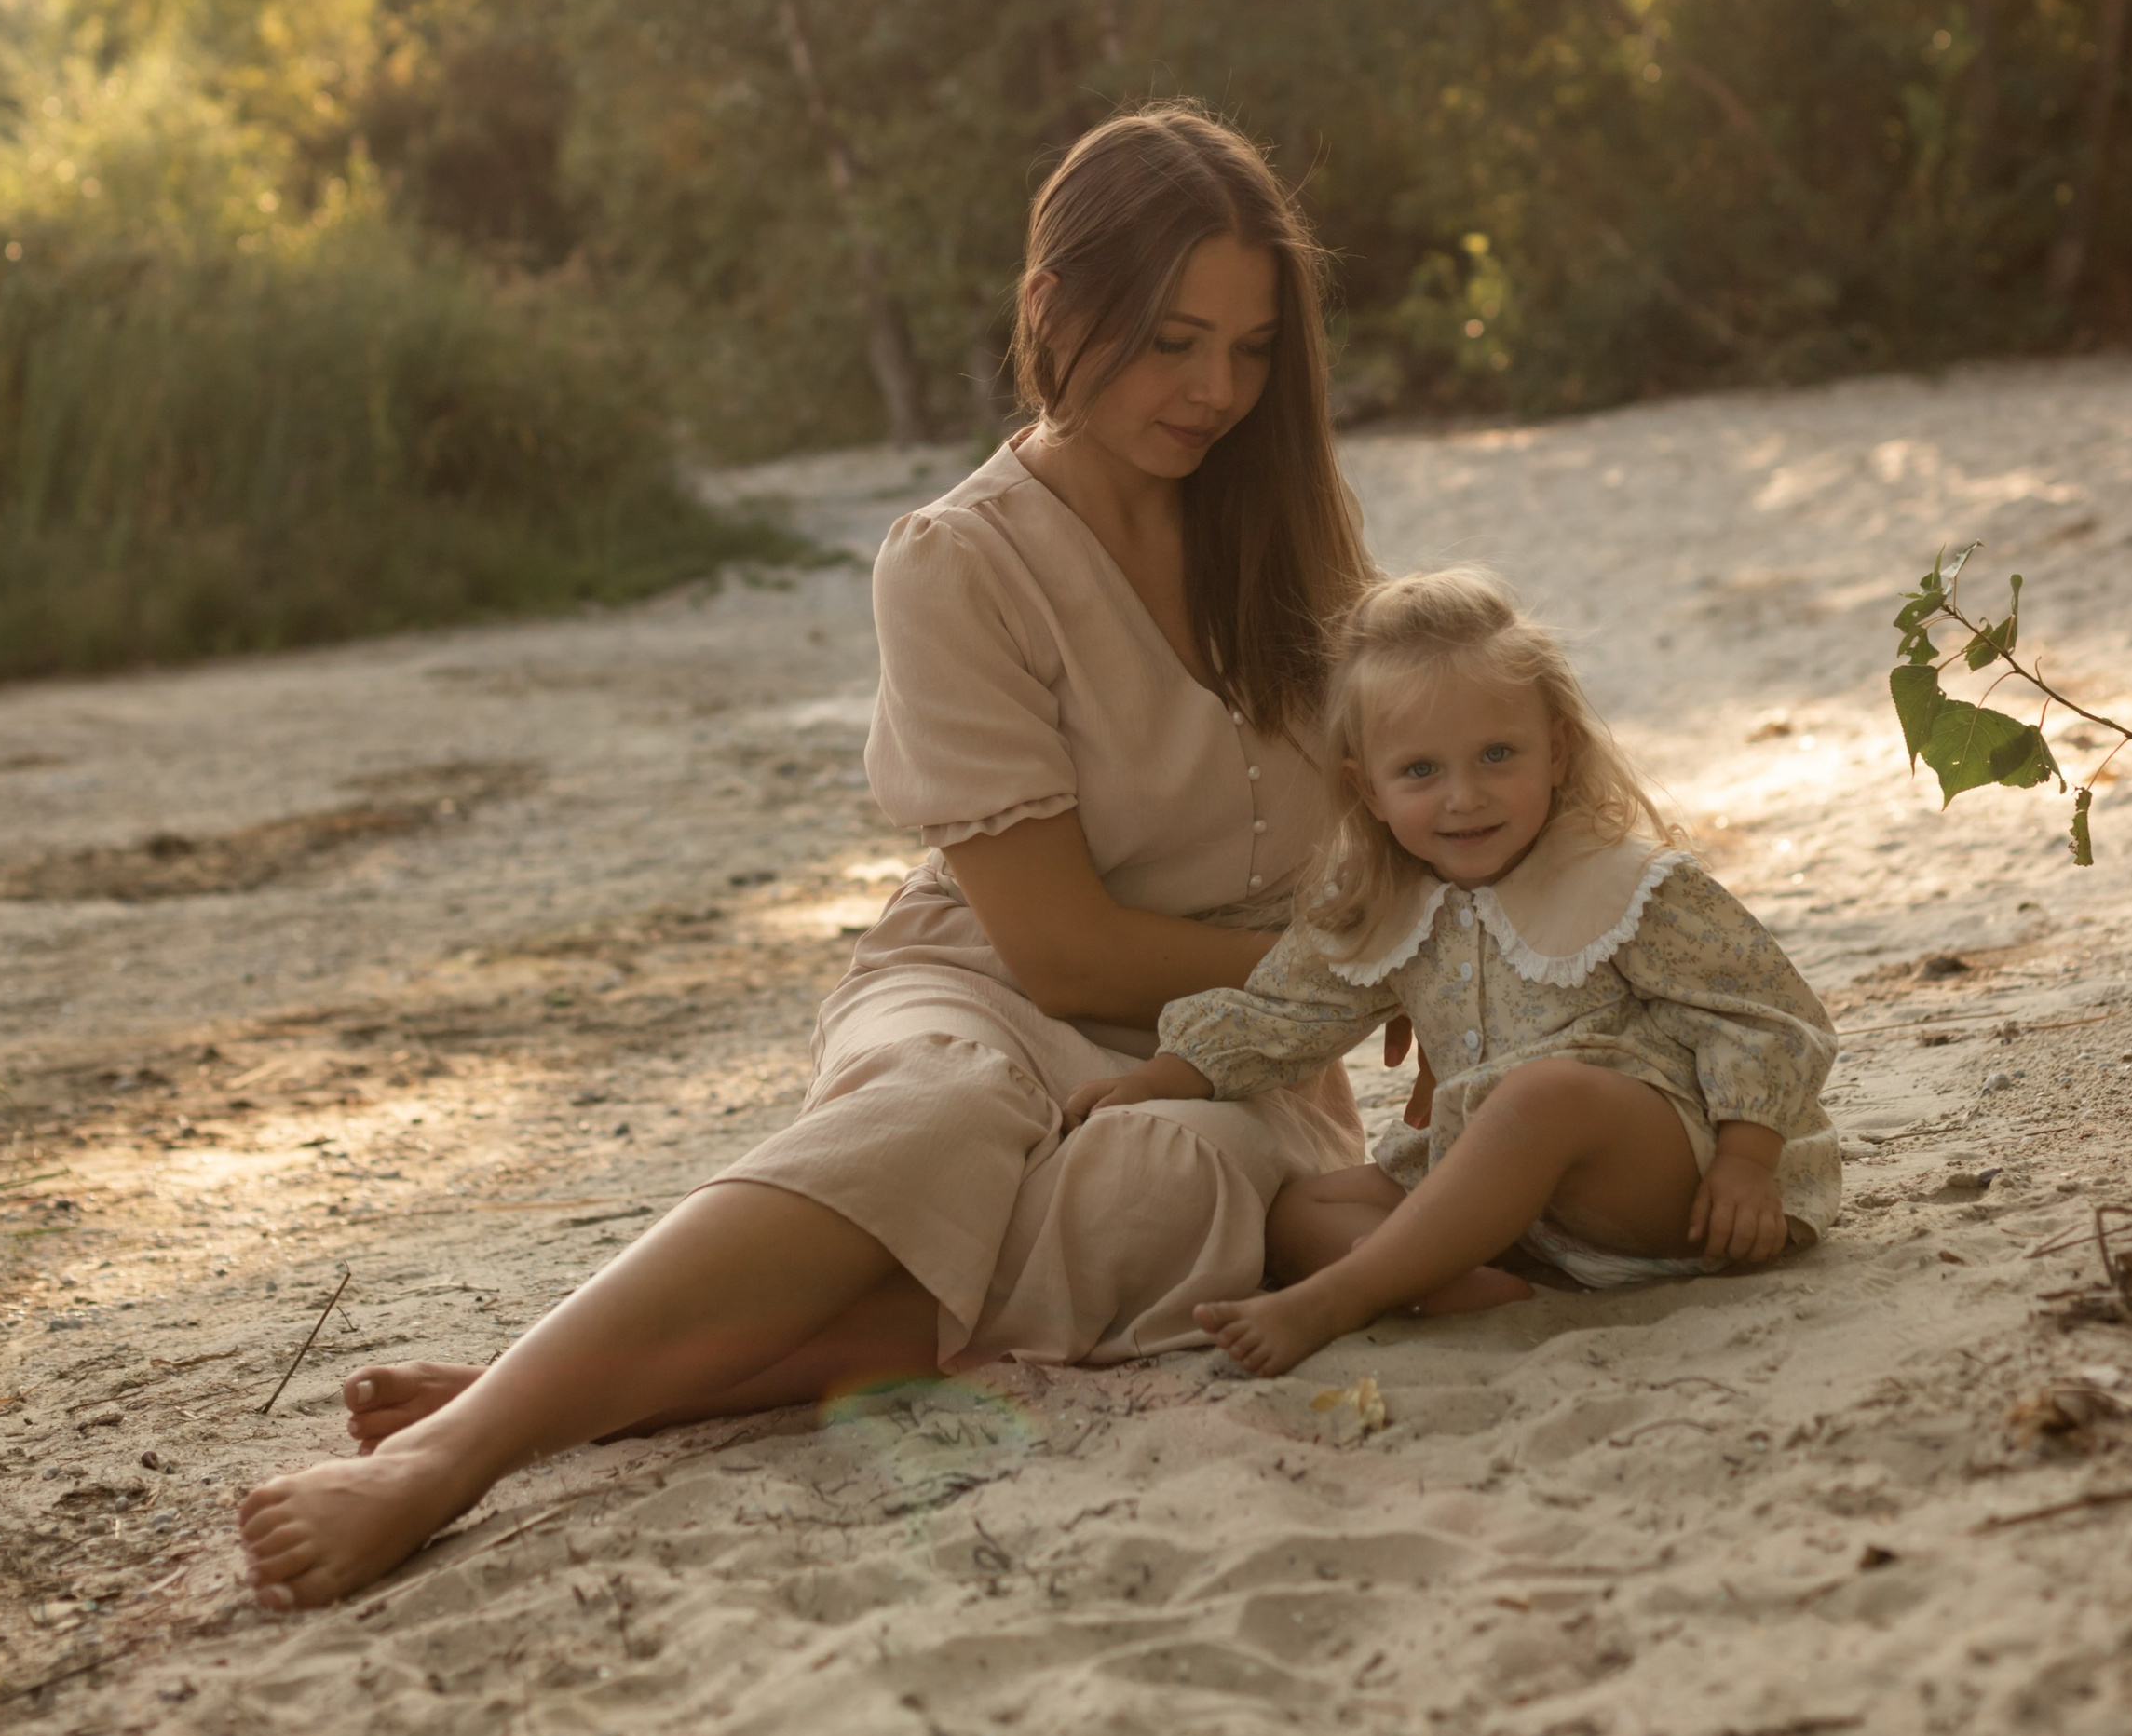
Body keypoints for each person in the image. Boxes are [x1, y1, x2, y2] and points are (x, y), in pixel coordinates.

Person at [239, 106, 1469, 1611]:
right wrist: (1351, 971)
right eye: (1170, 341)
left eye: (1251, 347)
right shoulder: (959, 562)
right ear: (1051, 312)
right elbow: (1062, 955)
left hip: (1234, 1049)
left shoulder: (1290, 526)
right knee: (943, 1118)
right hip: (991, 982)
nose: (1216, 390)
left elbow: (1399, 789)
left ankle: (598, 1373)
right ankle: (464, 1449)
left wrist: (1425, 939)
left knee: (1190, 1184)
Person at [1065, 565, 1841, 1378]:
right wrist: (1162, 1077)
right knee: (1302, 1206)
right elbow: (1284, 1016)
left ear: (1557, 751)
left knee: (1544, 1091)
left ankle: (1343, 1295)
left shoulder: (1625, 881)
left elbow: (1765, 1014)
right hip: (1532, 1215)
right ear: (1368, 790)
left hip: (1674, 1186)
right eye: (1421, 772)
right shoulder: (1388, 903)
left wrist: (1747, 1161)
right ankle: (1447, 1278)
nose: (1464, 797)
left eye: (1498, 755)